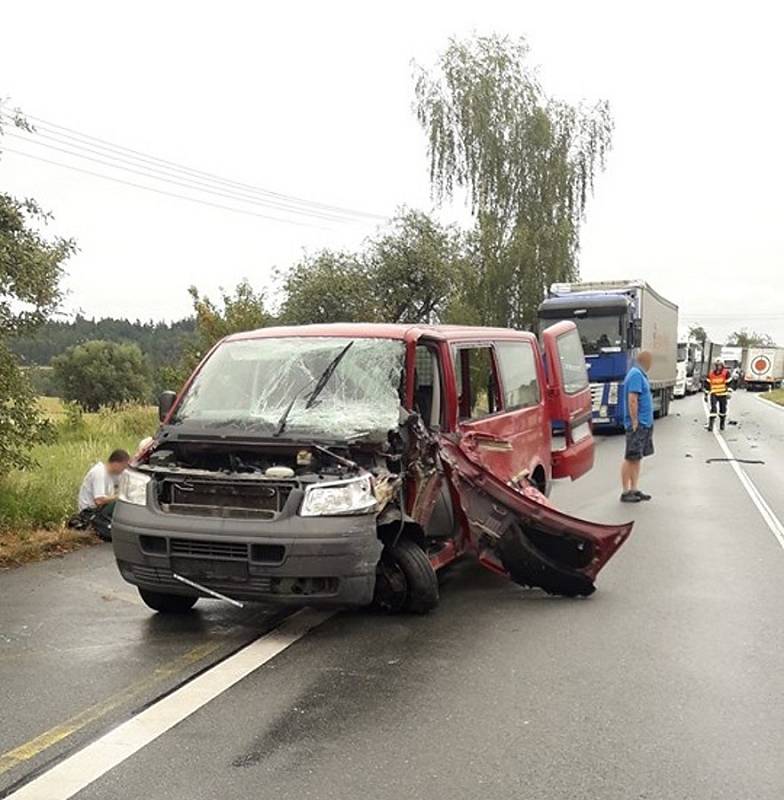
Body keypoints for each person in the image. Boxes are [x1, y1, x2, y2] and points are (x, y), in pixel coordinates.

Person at [620, 351, 655, 503]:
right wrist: (635, 421)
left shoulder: (640, 374)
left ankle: (634, 488)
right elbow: (632, 399)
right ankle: (625, 491)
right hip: (638, 424)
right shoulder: (635, 374)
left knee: (637, 457)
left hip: (645, 423)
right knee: (630, 457)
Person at [74, 449, 130, 540]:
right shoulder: (99, 473)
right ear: (116, 464)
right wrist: (120, 496)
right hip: (91, 512)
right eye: (123, 467)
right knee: (120, 501)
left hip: (100, 509)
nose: (123, 470)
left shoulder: (113, 474)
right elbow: (99, 500)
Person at [705, 358, 731, 431]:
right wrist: (706, 395)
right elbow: (707, 385)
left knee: (723, 410)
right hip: (714, 394)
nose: (719, 367)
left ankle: (722, 423)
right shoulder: (711, 374)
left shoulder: (726, 373)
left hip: (723, 394)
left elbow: (729, 383)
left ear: (722, 366)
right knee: (713, 409)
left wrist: (729, 392)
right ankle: (711, 425)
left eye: (720, 365)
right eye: (717, 365)